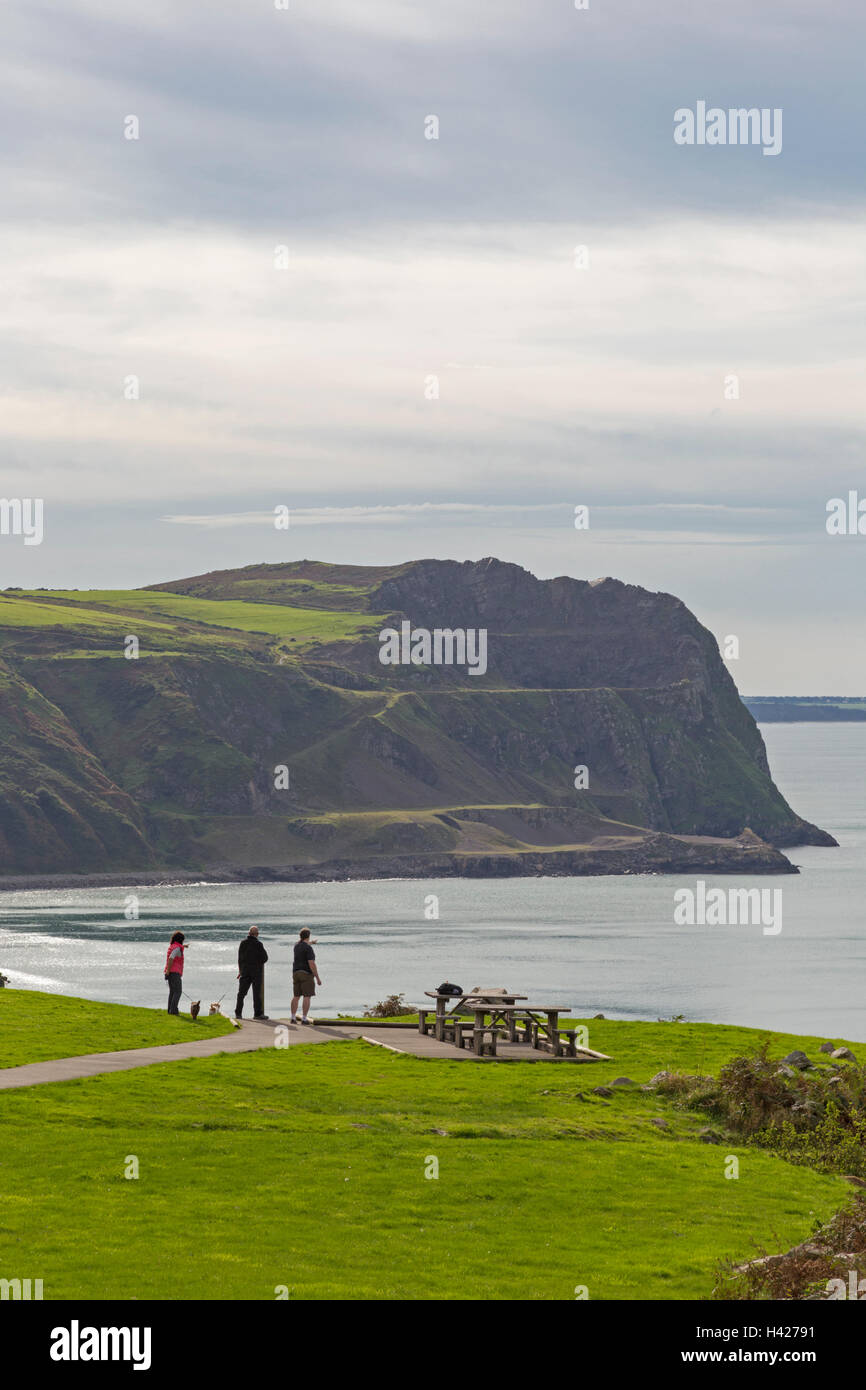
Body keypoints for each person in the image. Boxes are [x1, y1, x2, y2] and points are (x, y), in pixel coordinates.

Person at [235, 924, 268, 1020]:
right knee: (256, 993)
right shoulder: (258, 944)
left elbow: (239, 959)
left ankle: (238, 1013)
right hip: (256, 972)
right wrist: (258, 962)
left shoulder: (243, 943)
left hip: (245, 971)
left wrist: (240, 970)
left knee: (241, 993)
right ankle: (257, 1014)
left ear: (249, 933)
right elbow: (265, 958)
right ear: (257, 934)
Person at [291, 928, 321, 1024]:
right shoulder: (308, 948)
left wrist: (311, 942)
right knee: (307, 996)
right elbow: (311, 963)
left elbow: (303, 944)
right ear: (308, 936)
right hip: (306, 974)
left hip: (296, 973)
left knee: (296, 996)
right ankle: (304, 1018)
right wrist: (317, 977)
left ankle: (293, 1017)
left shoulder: (296, 946)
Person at [164, 931, 186, 1015]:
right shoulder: (177, 948)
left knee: (172, 992)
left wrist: (167, 972)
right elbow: (171, 958)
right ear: (180, 940)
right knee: (178, 991)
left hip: (170, 972)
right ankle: (173, 1010)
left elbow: (176, 950)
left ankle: (170, 1010)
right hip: (174, 972)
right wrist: (168, 971)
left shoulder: (173, 946)